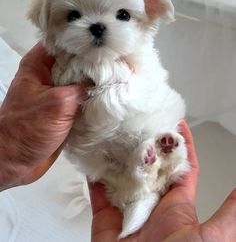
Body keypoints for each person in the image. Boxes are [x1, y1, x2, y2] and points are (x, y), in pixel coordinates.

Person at [0, 44, 235, 241]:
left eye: (122, 15)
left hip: (137, 135)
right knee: (120, 172)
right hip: (113, 154)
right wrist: (10, 150)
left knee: (156, 151)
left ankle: (150, 169)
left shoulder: (137, 57)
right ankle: (147, 170)